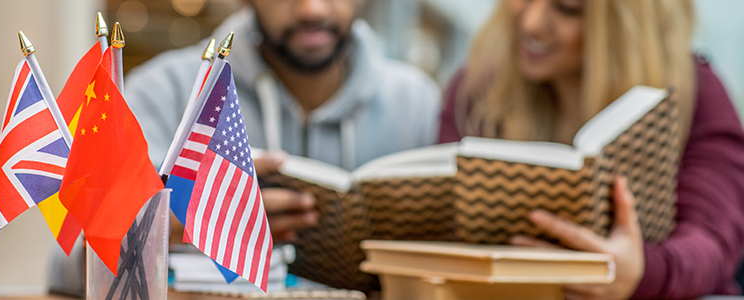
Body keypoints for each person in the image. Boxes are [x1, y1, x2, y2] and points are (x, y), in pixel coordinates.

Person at [439, 0, 744, 299]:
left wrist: (642, 272)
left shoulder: (695, 94)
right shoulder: (477, 93)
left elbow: (712, 241)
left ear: (627, 24)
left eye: (568, 9)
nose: (531, 21)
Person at [125, 0, 441, 242]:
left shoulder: (416, 104)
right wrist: (180, 219)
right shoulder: (163, 92)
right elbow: (80, 250)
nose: (312, 10)